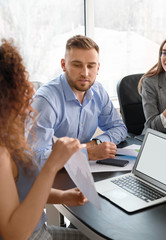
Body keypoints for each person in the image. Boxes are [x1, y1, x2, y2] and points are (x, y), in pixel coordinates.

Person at [0, 39, 89, 239]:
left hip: (42, 231)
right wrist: (51, 165)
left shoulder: (9, 134)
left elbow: (24, 194)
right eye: (22, 84)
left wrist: (63, 196)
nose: (31, 91)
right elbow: (14, 234)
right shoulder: (1, 154)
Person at [28, 35, 127, 167]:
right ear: (63, 65)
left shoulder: (98, 91)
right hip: (52, 175)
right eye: (77, 65)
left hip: (82, 170)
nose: (85, 73)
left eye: (91, 66)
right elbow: (34, 158)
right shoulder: (46, 101)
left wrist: (95, 144)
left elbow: (119, 128)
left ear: (97, 68)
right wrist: (87, 154)